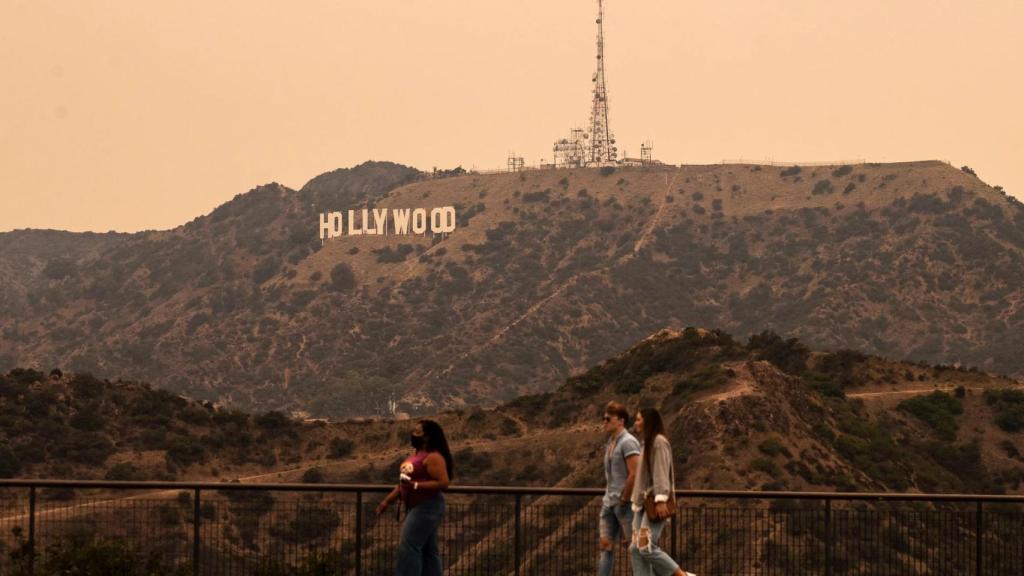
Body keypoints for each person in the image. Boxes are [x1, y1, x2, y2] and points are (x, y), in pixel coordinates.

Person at [376, 419, 454, 576]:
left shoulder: (434, 457)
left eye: (418, 432)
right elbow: (403, 484)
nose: (413, 434)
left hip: (427, 506)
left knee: (409, 545)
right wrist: (387, 501)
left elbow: (443, 483)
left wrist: (417, 486)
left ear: (427, 437)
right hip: (417, 506)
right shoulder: (417, 455)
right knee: (428, 550)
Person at [629, 408, 696, 576]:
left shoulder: (659, 442)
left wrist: (661, 500)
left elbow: (661, 472)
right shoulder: (647, 443)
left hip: (654, 502)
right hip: (643, 503)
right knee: (635, 549)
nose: (635, 423)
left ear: (647, 421)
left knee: (645, 546)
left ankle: (682, 575)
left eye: (638, 419)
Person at [598, 401, 641, 576]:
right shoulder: (611, 442)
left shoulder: (628, 442)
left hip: (624, 504)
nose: (605, 422)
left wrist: (624, 499)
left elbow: (634, 473)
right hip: (609, 503)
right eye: (604, 418)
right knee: (605, 546)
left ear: (621, 420)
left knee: (636, 550)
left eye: (608, 419)